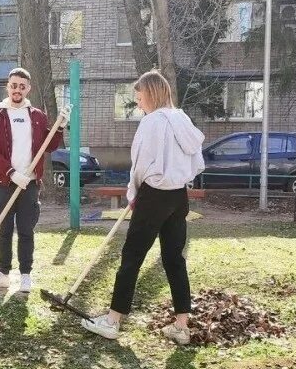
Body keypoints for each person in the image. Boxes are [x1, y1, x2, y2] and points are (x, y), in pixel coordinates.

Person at [81, 70, 206, 344]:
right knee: (174, 259)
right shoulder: (182, 119)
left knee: (132, 256)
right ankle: (182, 326)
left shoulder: (152, 123)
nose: (139, 104)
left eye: (140, 98)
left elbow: (140, 164)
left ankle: (113, 320)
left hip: (154, 194)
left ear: (151, 94)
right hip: (178, 196)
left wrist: (134, 193)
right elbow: (196, 160)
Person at [0, 67, 63, 293]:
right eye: (13, 85)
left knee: (26, 229)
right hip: (3, 182)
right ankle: (3, 274)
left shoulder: (37, 116)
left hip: (29, 183)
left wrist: (60, 127)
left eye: (22, 86)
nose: (17, 89)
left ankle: (26, 275)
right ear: (7, 87)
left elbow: (50, 146)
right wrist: (11, 173)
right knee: (3, 229)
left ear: (28, 88)